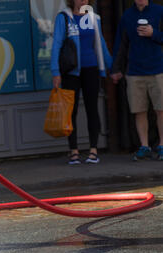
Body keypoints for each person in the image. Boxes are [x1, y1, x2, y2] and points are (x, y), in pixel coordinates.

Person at [51, 0, 112, 165]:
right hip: (71, 72)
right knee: (71, 112)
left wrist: (111, 66)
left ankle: (93, 150)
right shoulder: (63, 17)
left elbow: (101, 44)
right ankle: (74, 151)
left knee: (92, 109)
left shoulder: (93, 18)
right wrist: (55, 71)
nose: (82, 0)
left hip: (91, 68)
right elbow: (56, 44)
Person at [110, 0, 163, 161]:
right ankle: (144, 146)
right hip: (134, 71)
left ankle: (162, 146)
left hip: (158, 69)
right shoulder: (127, 15)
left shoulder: (159, 11)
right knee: (138, 110)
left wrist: (153, 33)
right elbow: (121, 43)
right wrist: (116, 69)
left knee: (161, 110)